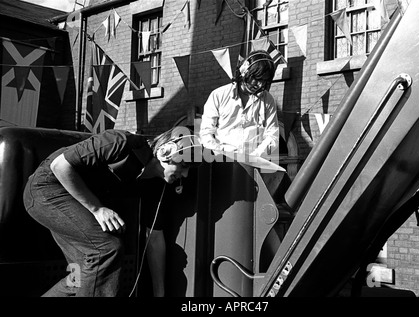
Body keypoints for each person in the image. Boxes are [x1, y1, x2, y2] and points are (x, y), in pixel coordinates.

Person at [22, 126, 202, 297]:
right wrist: (97, 208)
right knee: (106, 249)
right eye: (184, 166)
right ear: (166, 152)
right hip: (46, 189)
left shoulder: (155, 186)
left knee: (79, 277)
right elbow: (60, 166)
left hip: (71, 203)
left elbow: (154, 238)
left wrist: (159, 293)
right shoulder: (120, 142)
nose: (185, 176)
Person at [199, 50, 279, 157]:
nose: (260, 85)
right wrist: (220, 155)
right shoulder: (218, 95)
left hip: (254, 163)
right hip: (221, 161)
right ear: (244, 71)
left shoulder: (268, 100)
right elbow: (206, 132)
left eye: (264, 81)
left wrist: (254, 158)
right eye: (257, 78)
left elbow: (272, 136)